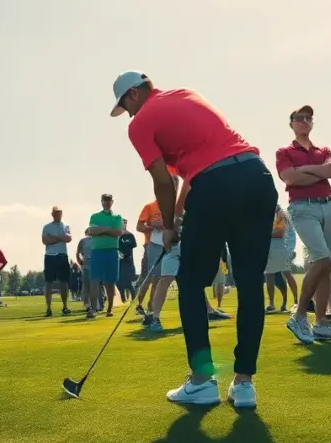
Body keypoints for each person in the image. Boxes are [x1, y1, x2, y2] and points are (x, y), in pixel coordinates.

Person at [110, 71, 276, 408]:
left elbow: (163, 182)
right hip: (257, 177)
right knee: (249, 282)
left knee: (189, 282)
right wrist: (178, 216)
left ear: (133, 94)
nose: (128, 115)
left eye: (126, 107)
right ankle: (244, 383)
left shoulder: (139, 123)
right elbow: (190, 175)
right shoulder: (186, 93)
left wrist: (169, 226)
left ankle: (202, 381)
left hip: (214, 186)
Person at [276, 105, 331, 343]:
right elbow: (290, 177)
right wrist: (320, 172)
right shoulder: (284, 152)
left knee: (328, 263)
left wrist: (306, 169)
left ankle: (321, 323)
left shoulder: (323, 150)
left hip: (328, 206)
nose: (305, 121)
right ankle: (298, 316)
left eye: (309, 118)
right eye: (300, 118)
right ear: (292, 124)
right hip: (302, 207)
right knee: (322, 259)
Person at [135, 178, 179, 317]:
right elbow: (139, 226)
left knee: (167, 278)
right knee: (155, 278)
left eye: (175, 186)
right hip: (155, 245)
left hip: (174, 245)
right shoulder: (150, 207)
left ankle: (152, 309)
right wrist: (152, 225)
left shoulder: (179, 206)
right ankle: (149, 309)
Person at [85, 193, 125, 318]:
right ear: (101, 201)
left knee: (110, 281)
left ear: (112, 202)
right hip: (97, 251)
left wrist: (102, 230)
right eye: (105, 200)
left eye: (109, 200)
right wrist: (108, 229)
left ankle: (109, 309)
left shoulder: (117, 217)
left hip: (112, 251)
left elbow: (118, 232)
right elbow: (92, 230)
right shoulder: (95, 216)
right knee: (94, 280)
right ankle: (93, 309)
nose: (107, 202)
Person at [266, 204, 299, 313]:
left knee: (287, 273)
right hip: (269, 247)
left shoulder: (281, 214)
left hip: (281, 247)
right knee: (269, 275)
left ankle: (296, 302)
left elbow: (280, 233)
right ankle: (272, 304)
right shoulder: (268, 214)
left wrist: (263, 233)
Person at [42, 205, 73, 316]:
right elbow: (45, 240)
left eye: (59, 213)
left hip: (62, 256)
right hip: (50, 256)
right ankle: (48, 309)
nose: (57, 215)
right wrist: (60, 238)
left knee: (63, 282)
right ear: (52, 214)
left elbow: (68, 238)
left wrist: (54, 238)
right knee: (49, 282)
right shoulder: (47, 227)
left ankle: (65, 307)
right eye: (55, 213)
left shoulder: (65, 226)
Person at [118, 218, 139, 304]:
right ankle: (123, 297)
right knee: (119, 282)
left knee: (129, 282)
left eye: (125, 223)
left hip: (129, 261)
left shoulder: (130, 235)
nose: (124, 225)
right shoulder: (116, 236)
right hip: (119, 262)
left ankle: (133, 299)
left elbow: (133, 245)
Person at [76, 234, 94, 313]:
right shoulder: (83, 241)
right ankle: (87, 305)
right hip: (86, 266)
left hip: (96, 266)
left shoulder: (99, 240)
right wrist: (79, 260)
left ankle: (98, 303)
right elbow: (78, 253)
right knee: (86, 287)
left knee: (98, 286)